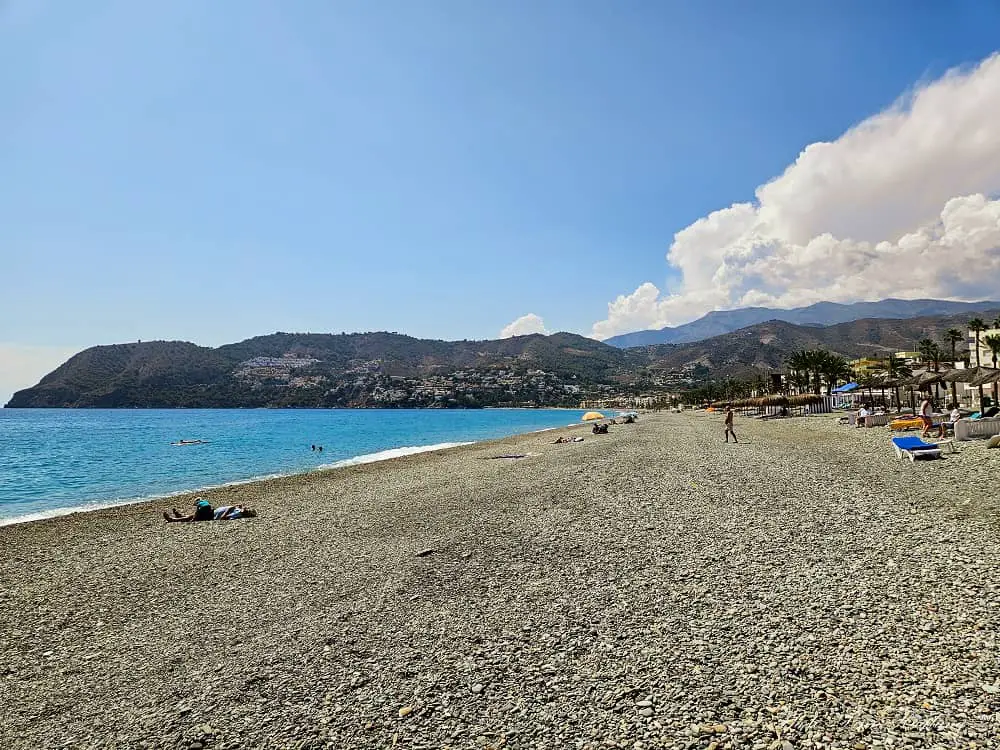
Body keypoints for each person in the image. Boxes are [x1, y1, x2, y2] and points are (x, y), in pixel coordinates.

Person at [163, 499, 256, 522]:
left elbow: (224, 517)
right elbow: (238, 505)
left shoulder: (238, 514)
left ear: (247, 513)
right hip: (213, 511)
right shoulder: (239, 510)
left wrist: (229, 510)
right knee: (192, 516)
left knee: (202, 509)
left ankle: (173, 519)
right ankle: (179, 517)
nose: (246, 509)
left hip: (212, 516)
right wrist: (240, 506)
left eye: (247, 510)